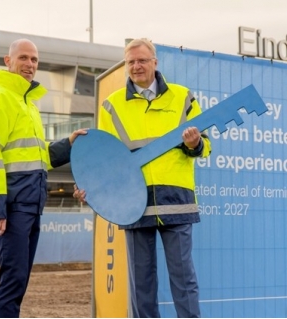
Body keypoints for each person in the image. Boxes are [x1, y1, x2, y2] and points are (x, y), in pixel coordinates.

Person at [74, 38, 211, 317]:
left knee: (184, 281)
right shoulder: (112, 106)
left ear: (155, 63)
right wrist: (89, 186)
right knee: (141, 286)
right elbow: (105, 160)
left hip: (176, 202)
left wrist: (194, 143)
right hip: (132, 203)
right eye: (131, 62)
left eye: (142, 60)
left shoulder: (182, 97)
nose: (136, 66)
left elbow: (204, 147)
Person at [0, 38, 87, 318]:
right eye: (23, 58)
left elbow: (36, 157)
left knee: (18, 279)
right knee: (13, 279)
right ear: (8, 61)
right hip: (12, 206)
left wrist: (67, 144)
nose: (30, 64)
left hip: (30, 204)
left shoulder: (28, 105)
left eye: (34, 60)